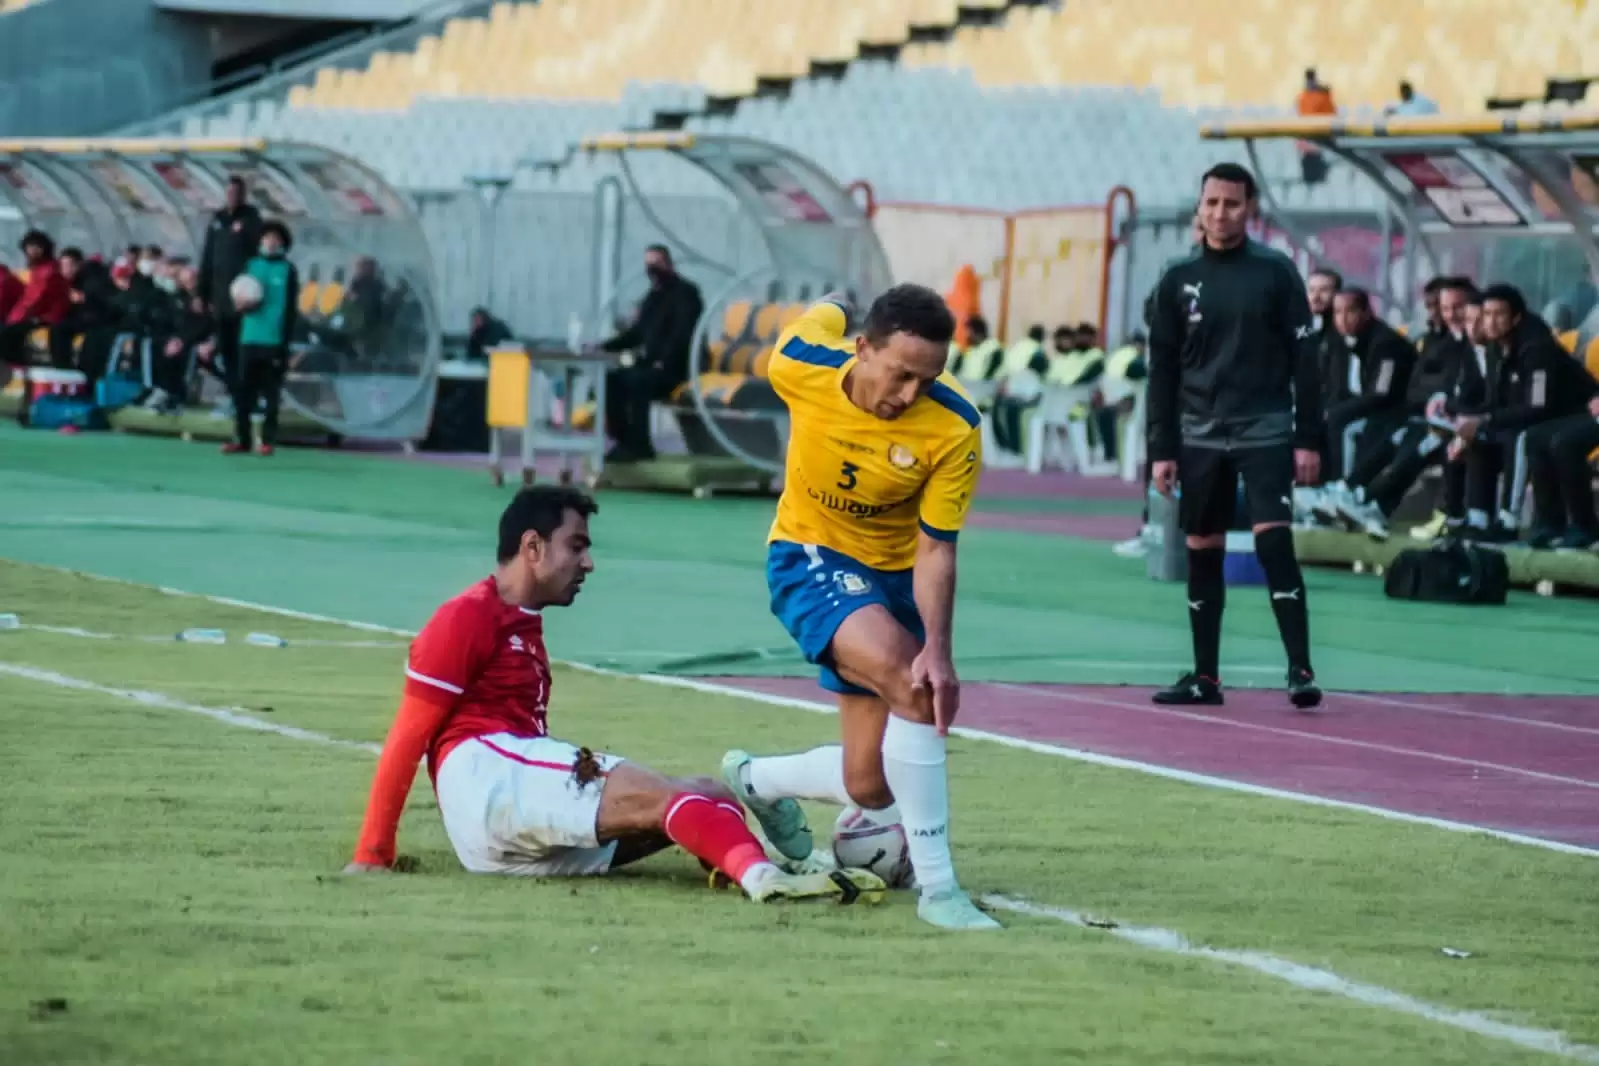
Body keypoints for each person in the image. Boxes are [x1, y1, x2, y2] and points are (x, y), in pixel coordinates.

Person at [344, 486, 886, 906]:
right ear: (531, 547)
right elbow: (408, 737)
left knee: (710, 797)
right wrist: (373, 852)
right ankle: (766, 879)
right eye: (575, 546)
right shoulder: (465, 617)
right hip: (486, 775)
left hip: (500, 823)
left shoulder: (520, 623)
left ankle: (768, 864)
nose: (588, 563)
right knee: (668, 798)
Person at [717, 285, 998, 931]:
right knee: (913, 688)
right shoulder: (799, 365)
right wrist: (834, 301)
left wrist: (940, 648)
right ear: (861, 349)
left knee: (870, 784)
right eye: (899, 374)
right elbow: (821, 311)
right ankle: (940, 892)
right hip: (809, 555)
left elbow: (935, 550)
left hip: (894, 576)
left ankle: (757, 781)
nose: (909, 395)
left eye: (925, 380)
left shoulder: (954, 427)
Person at [1145, 163, 1324, 710]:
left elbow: (1306, 361)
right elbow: (1164, 371)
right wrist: (1162, 449)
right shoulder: (1177, 280)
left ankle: (1300, 670)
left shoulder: (1277, 273)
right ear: (1199, 208)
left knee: (1274, 543)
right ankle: (1206, 678)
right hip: (1198, 436)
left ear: (1252, 210)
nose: (1221, 213)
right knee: (1203, 551)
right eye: (1212, 203)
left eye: (1232, 203)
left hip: (1265, 430)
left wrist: (1308, 438)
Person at [1327, 277, 1475, 538]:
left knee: (1418, 438)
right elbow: (1417, 387)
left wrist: (1447, 403)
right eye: (1444, 307)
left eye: (1457, 307)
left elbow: (1476, 391)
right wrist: (1435, 401)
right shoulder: (1439, 342)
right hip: (1430, 417)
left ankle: (1364, 497)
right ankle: (1359, 497)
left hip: (1466, 423)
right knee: (1403, 435)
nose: (1448, 314)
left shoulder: (1478, 345)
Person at [1452, 284, 1599, 543]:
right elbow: (1497, 401)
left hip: (1579, 411)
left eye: (1499, 314)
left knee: (1533, 438)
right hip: (1551, 417)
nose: (1491, 321)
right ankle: (1485, 519)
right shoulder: (1496, 348)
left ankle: (1523, 521)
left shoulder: (1536, 347)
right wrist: (1470, 421)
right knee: (1483, 438)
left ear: (1516, 317)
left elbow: (1537, 407)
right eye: (1487, 314)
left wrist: (1485, 420)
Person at [598, 244, 704, 463]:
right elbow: (636, 333)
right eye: (648, 265)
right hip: (651, 365)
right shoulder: (653, 296)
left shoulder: (687, 293)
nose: (652, 270)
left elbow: (683, 335)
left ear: (669, 264)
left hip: (677, 368)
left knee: (639, 381)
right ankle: (625, 440)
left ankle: (640, 445)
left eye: (657, 264)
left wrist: (664, 362)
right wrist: (603, 347)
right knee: (611, 380)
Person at [224, 221, 299, 457]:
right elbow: (239, 295)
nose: (271, 242)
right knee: (243, 390)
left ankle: (266, 440)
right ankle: (241, 438)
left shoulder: (288, 270)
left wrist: (286, 344)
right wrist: (239, 306)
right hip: (249, 337)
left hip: (274, 340)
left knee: (271, 393)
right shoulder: (250, 265)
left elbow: (290, 309)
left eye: (276, 238)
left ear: (283, 244)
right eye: (267, 237)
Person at [198, 176, 264, 387]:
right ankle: (233, 389)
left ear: (243, 195)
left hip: (242, 295)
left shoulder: (252, 219)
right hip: (219, 294)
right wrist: (202, 293)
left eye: (237, 193)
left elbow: (258, 255)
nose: (233, 197)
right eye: (229, 193)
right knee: (224, 345)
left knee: (241, 346)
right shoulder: (218, 220)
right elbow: (207, 257)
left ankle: (246, 392)